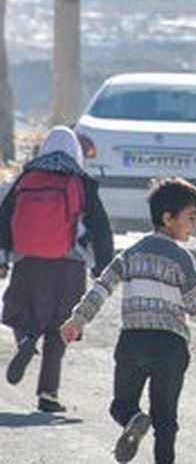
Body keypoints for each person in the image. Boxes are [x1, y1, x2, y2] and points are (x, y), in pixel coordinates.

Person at [61, 177, 196, 464]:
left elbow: (102, 287)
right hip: (171, 347)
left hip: (133, 342)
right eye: (191, 218)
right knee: (166, 420)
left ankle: (134, 420)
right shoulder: (182, 259)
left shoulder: (131, 254)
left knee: (121, 405)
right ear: (167, 218)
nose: (195, 226)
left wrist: (78, 320)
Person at [0, 125, 114, 413]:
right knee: (59, 328)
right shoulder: (81, 181)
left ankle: (25, 339)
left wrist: (2, 259)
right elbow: (101, 226)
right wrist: (103, 266)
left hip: (28, 262)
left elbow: (3, 219)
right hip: (69, 264)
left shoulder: (27, 177)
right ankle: (48, 394)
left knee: (20, 311)